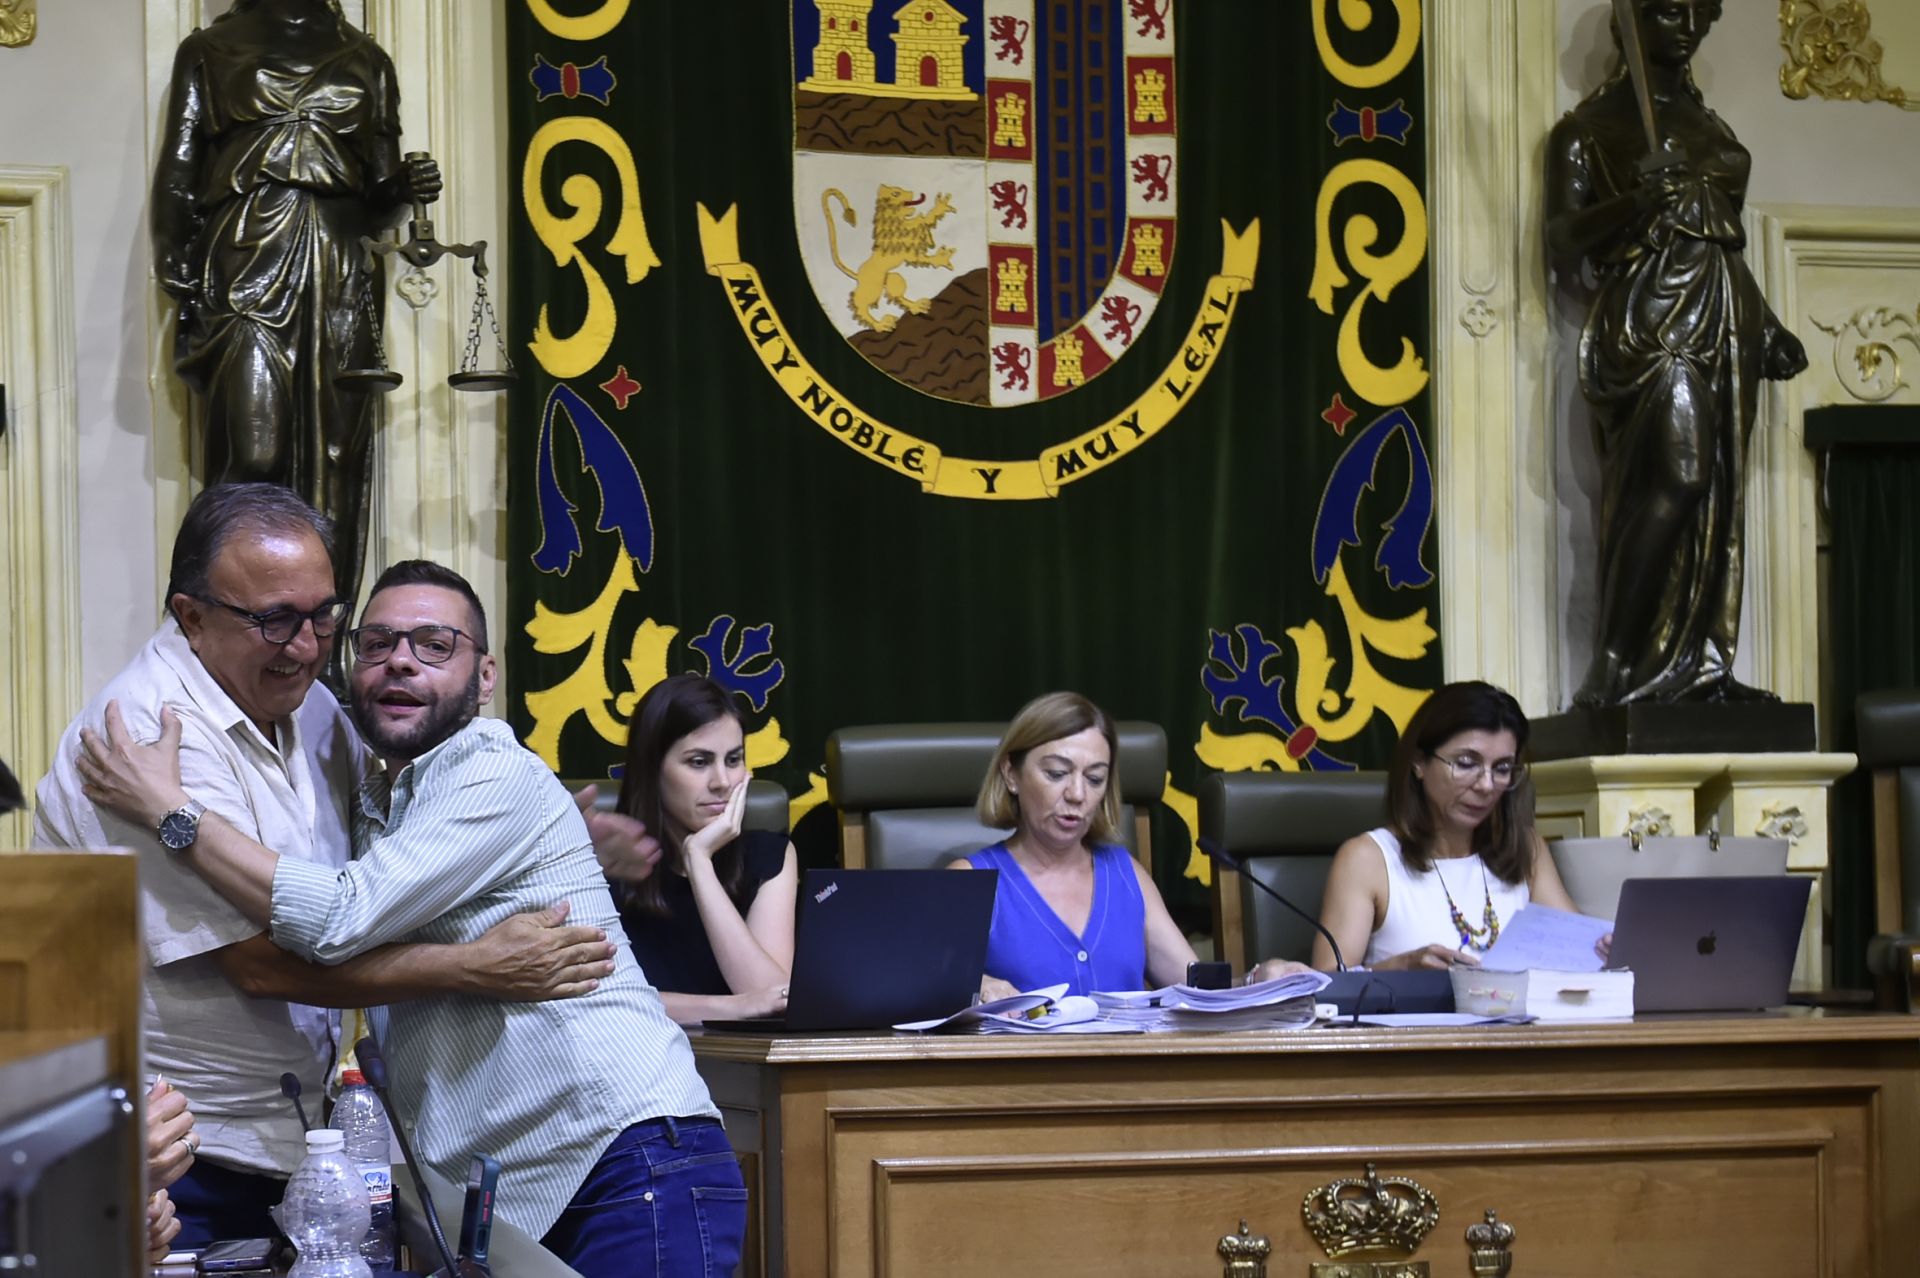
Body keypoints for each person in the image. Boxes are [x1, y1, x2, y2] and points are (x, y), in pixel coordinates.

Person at [78, 559, 745, 1277]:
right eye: (377, 643)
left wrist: (171, 810)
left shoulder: (489, 769)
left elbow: (337, 916)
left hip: (624, 1161)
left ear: (485, 676)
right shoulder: (382, 800)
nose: (400, 661)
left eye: (434, 644)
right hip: (522, 1190)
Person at [33, 484, 614, 1247]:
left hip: (294, 1137)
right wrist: (475, 966)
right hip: (178, 1153)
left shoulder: (308, 705)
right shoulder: (147, 733)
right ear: (192, 616)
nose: (306, 647)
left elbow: (374, 875)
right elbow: (264, 965)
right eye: (274, 620)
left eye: (324, 616)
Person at [1546, 0, 1806, 706]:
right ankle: (1613, 663)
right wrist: (1633, 203)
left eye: (1699, 8)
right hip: (1651, 319)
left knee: (1718, 492)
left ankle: (1703, 669)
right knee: (1678, 478)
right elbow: (1562, 241)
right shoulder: (1585, 133)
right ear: (1631, 20)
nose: (1687, 21)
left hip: (1724, 318)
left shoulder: (1708, 128)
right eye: (1668, 8)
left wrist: (1768, 325)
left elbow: (1717, 236)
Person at [151, 0, 442, 615]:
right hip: (245, 252)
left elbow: (378, 197)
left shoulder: (366, 58)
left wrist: (403, 190)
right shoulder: (208, 50)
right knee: (252, 456)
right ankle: (211, 628)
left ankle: (319, 644)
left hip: (336, 266)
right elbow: (178, 171)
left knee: (334, 458)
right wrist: (178, 271)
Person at [951, 692, 1309, 995]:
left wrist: (1259, 980)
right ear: (1011, 774)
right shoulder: (969, 880)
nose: (1077, 794)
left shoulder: (1125, 874)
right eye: (1057, 774)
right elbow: (925, 1002)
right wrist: (973, 988)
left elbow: (1196, 990)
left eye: (1094, 779)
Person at [1311, 681, 1598, 972]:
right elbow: (1327, 987)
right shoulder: (1367, 859)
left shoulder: (1525, 849)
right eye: (1465, 764)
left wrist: (1609, 948)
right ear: (1419, 762)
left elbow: (1583, 952)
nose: (1486, 785)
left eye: (1501, 769)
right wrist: (1402, 968)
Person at [608, 674, 796, 1025]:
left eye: (733, 760)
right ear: (653, 769)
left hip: (746, 1071)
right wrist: (728, 1008)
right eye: (699, 762)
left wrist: (699, 862)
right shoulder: (607, 861)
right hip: (637, 1065)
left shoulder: (770, 854)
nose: (722, 782)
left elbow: (774, 997)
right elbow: (604, 1002)